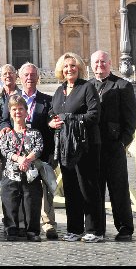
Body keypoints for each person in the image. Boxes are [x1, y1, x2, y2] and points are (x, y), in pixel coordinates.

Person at [49, 52, 102, 242]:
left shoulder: (87, 88)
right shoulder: (59, 91)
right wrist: (52, 123)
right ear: (60, 70)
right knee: (71, 188)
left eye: (72, 66)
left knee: (87, 187)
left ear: (79, 68)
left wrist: (71, 119)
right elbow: (51, 113)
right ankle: (74, 229)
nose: (69, 69)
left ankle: (94, 230)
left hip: (85, 145)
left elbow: (94, 114)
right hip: (66, 146)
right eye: (65, 67)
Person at [3, 63, 57, 239]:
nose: (29, 78)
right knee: (21, 192)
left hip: (38, 150)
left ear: (38, 77)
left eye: (33, 75)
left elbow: (52, 119)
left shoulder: (47, 100)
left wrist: (50, 124)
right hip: (17, 148)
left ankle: (48, 224)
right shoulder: (12, 99)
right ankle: (19, 226)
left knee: (43, 191)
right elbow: (4, 120)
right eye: (26, 75)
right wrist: (5, 129)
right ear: (20, 77)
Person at [90, 50, 136, 241]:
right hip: (93, 146)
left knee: (118, 189)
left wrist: (122, 143)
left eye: (103, 62)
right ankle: (97, 228)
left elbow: (131, 119)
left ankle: (125, 227)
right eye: (96, 62)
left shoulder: (122, 85)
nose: (99, 65)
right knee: (96, 189)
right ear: (91, 65)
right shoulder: (87, 86)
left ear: (110, 64)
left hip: (113, 145)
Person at [0, 94, 44, 241]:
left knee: (31, 202)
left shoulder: (35, 133)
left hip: (30, 174)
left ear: (26, 112)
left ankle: (32, 231)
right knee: (10, 202)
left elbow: (39, 148)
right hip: (11, 174)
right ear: (10, 113)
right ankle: (11, 229)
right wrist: (19, 159)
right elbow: (5, 150)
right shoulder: (6, 135)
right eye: (14, 109)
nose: (18, 112)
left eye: (20, 109)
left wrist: (27, 159)